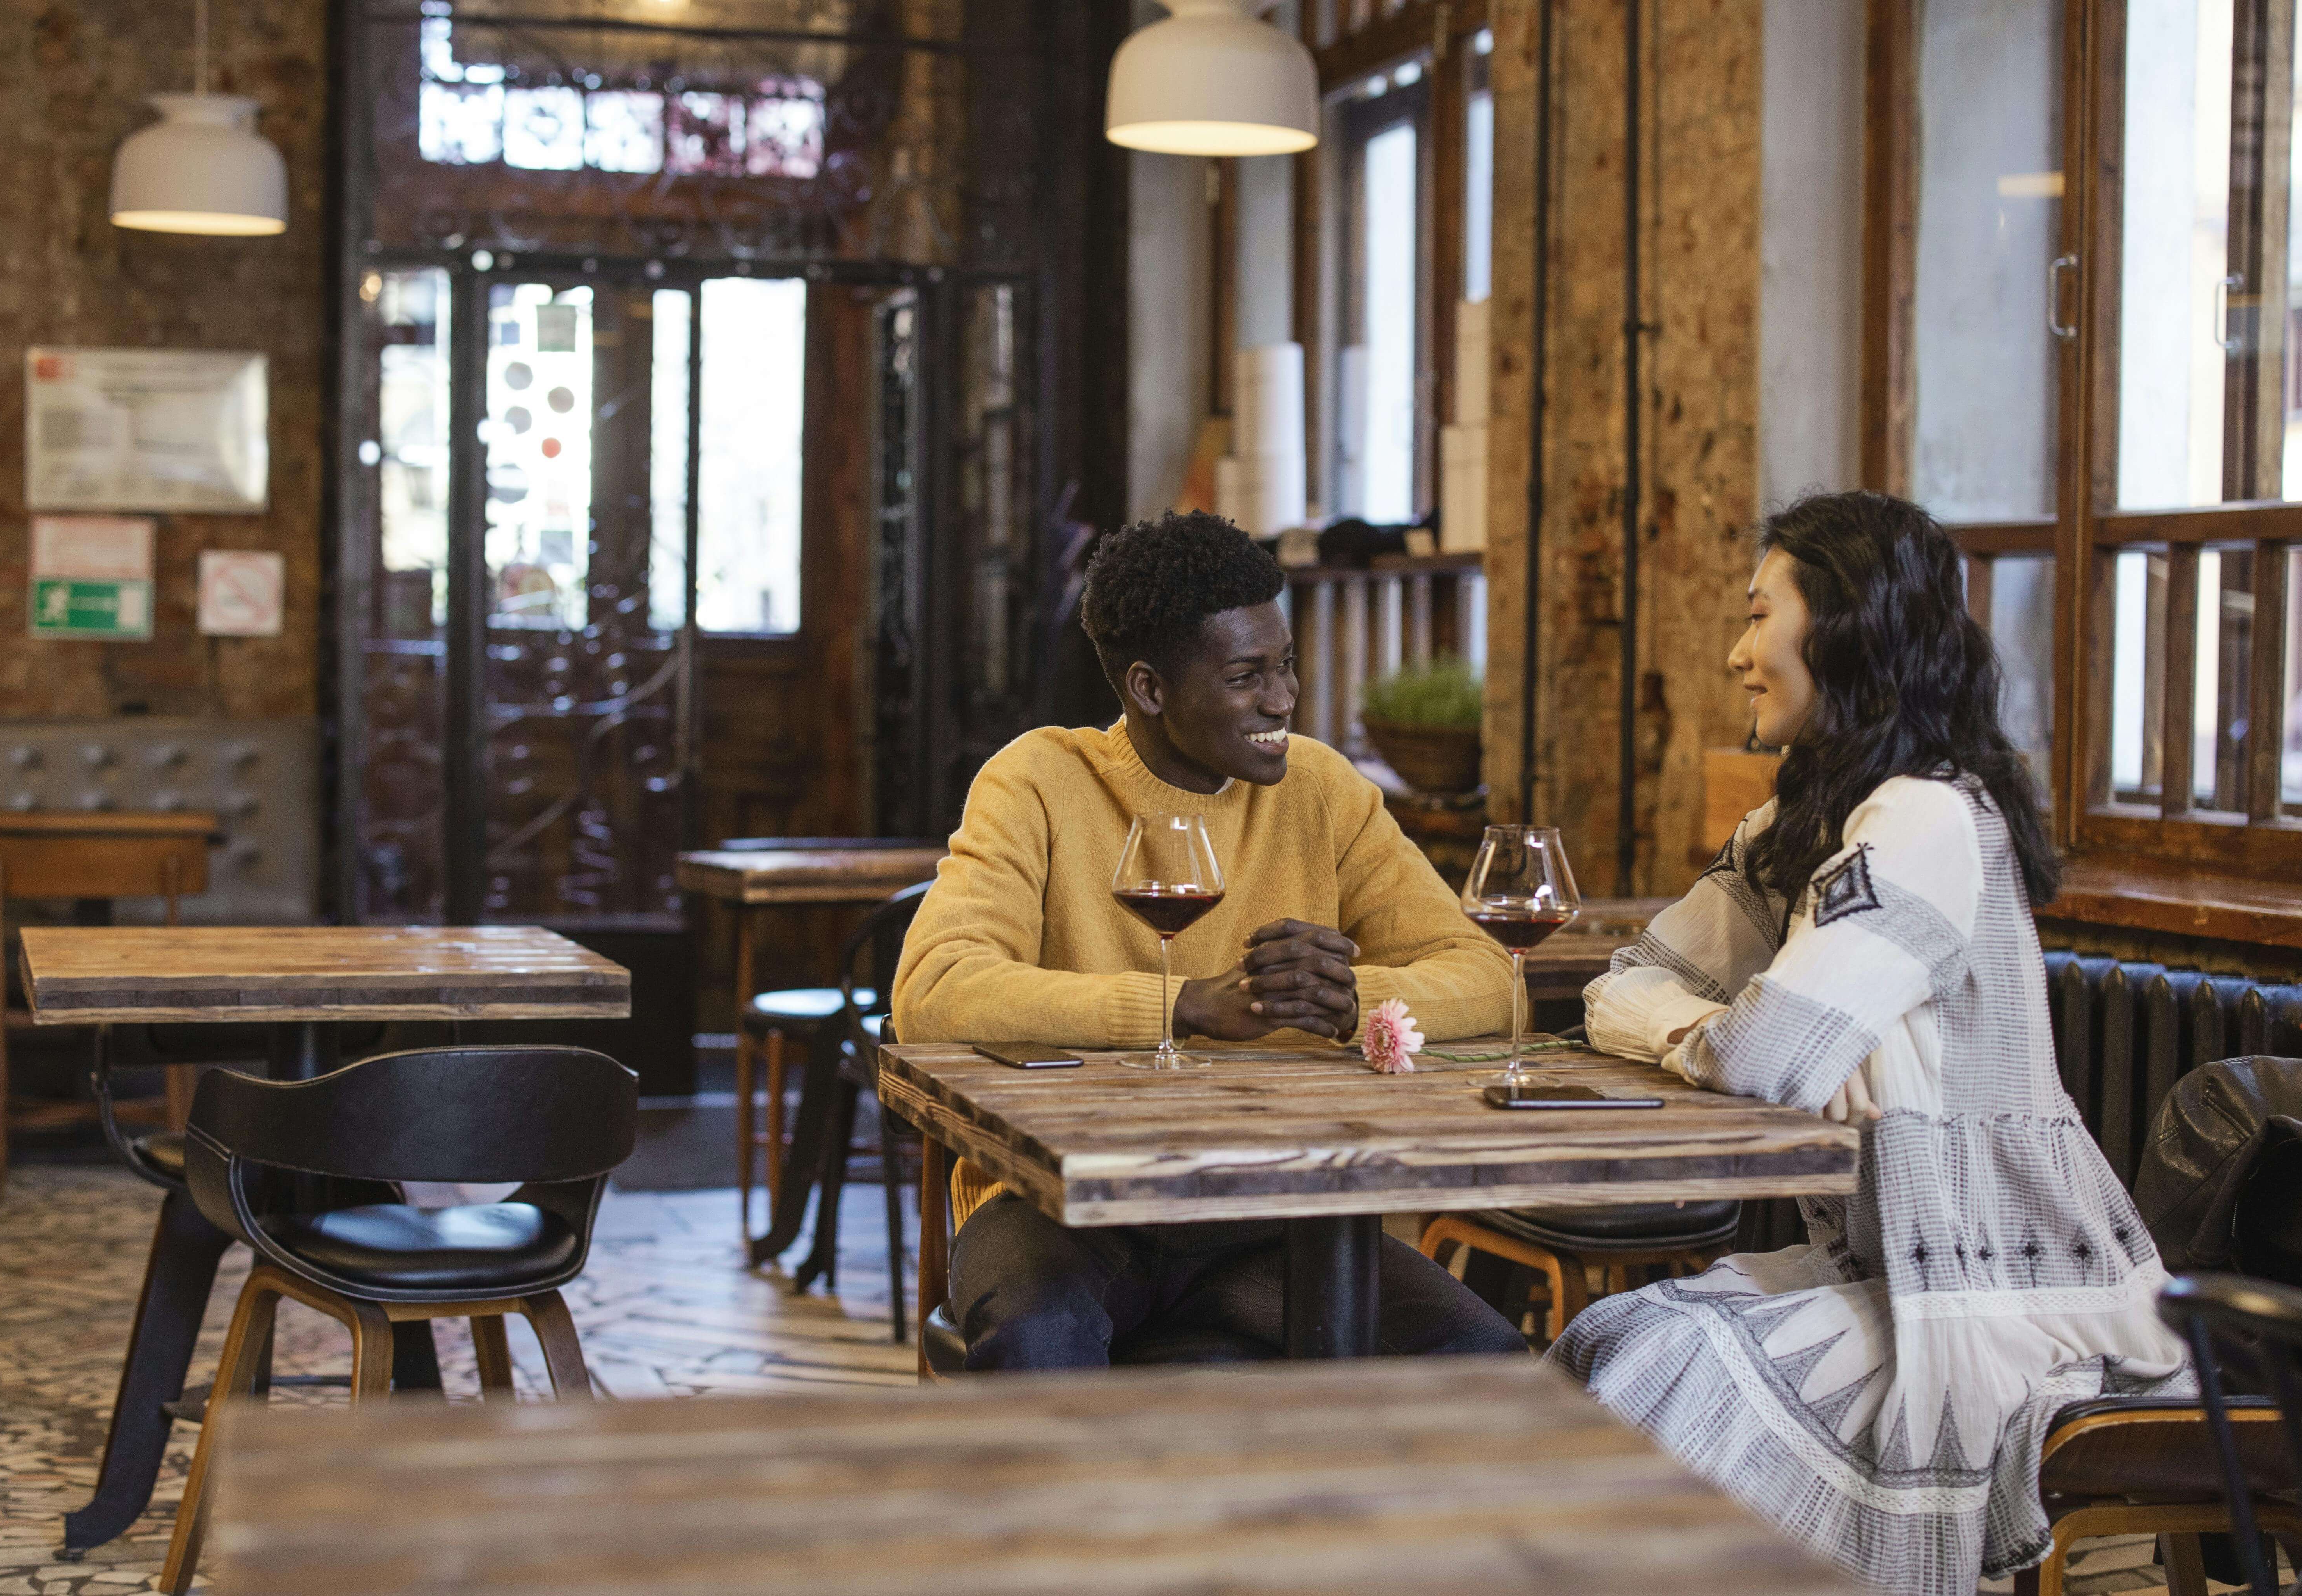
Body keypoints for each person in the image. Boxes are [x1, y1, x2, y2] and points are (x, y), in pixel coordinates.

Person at [1548, 492, 2188, 1596]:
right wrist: (1717, 1028)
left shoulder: (1928, 817)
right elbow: (1626, 987)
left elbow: (1770, 1055)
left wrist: (1757, 1038)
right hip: (1890, 1273)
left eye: (1760, 616)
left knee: (1666, 1377)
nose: (1741, 652)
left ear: (1843, 631)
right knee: (1617, 1339)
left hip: (2003, 1293)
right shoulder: (1798, 828)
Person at [893, 510, 1524, 1370]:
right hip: (1059, 1203)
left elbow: (1489, 976)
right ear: (1149, 689)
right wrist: (1182, 1005)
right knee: (1038, 1343)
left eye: (1286, 665)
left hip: (1271, 1205)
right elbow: (933, 991)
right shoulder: (1037, 781)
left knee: (1474, 1351)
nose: (1283, 698)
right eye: (1245, 676)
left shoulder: (1320, 789)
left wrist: (1351, 1001)